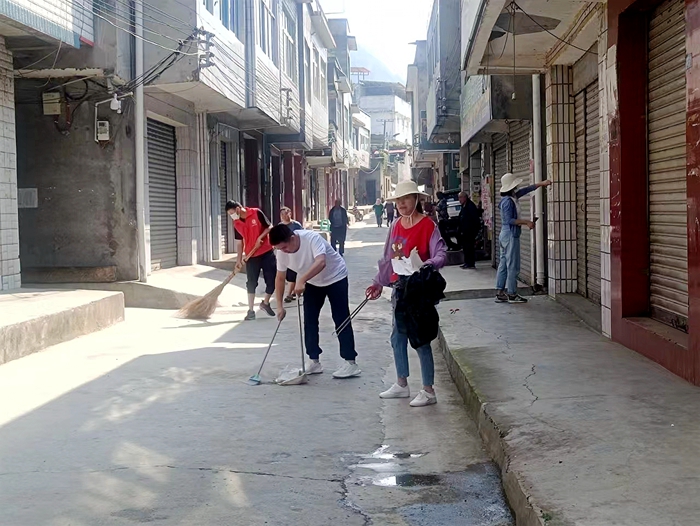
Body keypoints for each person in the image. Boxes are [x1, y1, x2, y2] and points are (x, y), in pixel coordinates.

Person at [366, 180, 447, 407]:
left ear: (416, 200)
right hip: (400, 288)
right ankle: (401, 384)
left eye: (406, 199)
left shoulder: (428, 225)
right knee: (397, 336)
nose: (401, 204)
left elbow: (441, 252)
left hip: (419, 288)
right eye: (398, 200)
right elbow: (387, 257)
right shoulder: (395, 225)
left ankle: (429, 391)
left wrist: (430, 263)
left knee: (420, 339)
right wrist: (378, 282)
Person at [271, 225, 362, 379]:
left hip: (336, 277)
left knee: (341, 318)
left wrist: (301, 280)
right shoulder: (281, 252)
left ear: (292, 238)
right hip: (313, 282)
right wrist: (280, 306)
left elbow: (321, 262)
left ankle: (350, 362)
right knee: (310, 320)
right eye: (279, 249)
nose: (283, 251)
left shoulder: (311, 238)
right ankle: (313, 360)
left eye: (284, 247)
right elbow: (280, 278)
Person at [495, 173, 552, 304]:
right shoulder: (508, 202)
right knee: (512, 265)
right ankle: (512, 294)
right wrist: (527, 222)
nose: (517, 187)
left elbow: (526, 190)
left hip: (505, 235)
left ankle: (500, 292)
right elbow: (509, 220)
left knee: (503, 264)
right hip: (510, 234)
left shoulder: (510, 198)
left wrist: (541, 184)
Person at [226, 200, 276, 321]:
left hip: (266, 251)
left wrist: (260, 237)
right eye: (230, 215)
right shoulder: (236, 223)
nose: (232, 216)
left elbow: (270, 226)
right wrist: (238, 260)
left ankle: (265, 303)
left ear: (238, 208)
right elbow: (239, 243)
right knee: (251, 283)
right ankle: (251, 310)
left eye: (232, 213)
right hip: (251, 256)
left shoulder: (256, 213)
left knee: (272, 281)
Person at [279, 206, 303, 303]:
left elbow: (302, 236)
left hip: (295, 252)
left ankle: (289, 294)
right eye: (282, 214)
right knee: (287, 274)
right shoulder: (280, 226)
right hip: (284, 253)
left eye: (285, 214)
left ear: (290, 214)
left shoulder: (296, 225)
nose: (283, 216)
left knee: (293, 273)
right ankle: (292, 292)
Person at [458, 191, 480, 270]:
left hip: (470, 231)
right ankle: (466, 262)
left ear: (465, 197)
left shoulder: (470, 206)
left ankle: (470, 263)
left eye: (460, 197)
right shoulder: (464, 206)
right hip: (464, 231)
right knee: (465, 247)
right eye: (459, 198)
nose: (459, 200)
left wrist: (474, 230)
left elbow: (475, 219)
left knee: (469, 247)